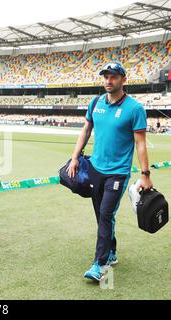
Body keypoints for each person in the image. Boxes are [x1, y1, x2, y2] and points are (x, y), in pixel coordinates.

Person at [67, 62, 153, 282]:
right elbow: (86, 129)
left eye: (113, 77)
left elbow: (140, 143)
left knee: (106, 214)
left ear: (123, 80)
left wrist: (145, 174)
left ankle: (100, 263)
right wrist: (75, 157)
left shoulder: (135, 109)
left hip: (118, 172)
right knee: (101, 216)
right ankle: (112, 251)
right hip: (95, 169)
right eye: (105, 76)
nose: (108, 80)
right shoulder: (95, 102)